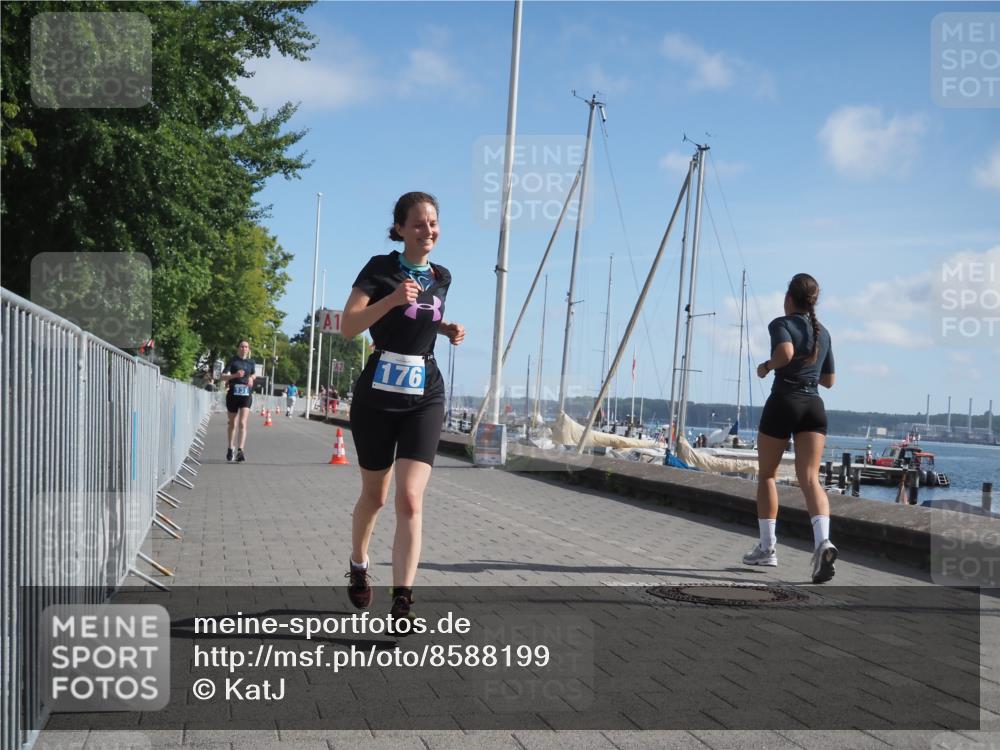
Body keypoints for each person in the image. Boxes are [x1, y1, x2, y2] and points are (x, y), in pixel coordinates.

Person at [341, 192, 465, 625]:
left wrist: (444, 327)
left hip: (424, 392)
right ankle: (359, 563)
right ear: (398, 228)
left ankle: (403, 599)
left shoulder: (442, 276)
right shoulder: (380, 268)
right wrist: (391, 301)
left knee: (410, 499)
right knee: (375, 497)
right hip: (377, 395)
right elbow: (348, 325)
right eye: (418, 223)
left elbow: (422, 318)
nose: (427, 230)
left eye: (433, 222)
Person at [743, 273, 837, 583]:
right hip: (814, 406)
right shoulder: (823, 333)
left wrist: (766, 367)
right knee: (810, 478)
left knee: (767, 475)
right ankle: (823, 541)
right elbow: (829, 380)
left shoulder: (780, 324)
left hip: (784, 400)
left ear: (788, 298)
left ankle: (768, 549)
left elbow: (783, 353)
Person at [220, 339, 256, 462]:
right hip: (233, 395)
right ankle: (231, 447)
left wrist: (251, 377)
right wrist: (234, 376)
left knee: (242, 423)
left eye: (246, 347)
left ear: (248, 349)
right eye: (242, 346)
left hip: (246, 394)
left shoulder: (251, 362)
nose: (244, 349)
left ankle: (241, 450)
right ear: (238, 348)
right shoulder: (233, 361)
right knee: (232, 423)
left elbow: (254, 374)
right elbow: (222, 376)